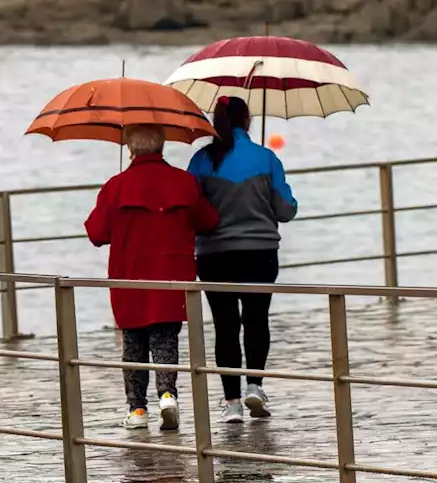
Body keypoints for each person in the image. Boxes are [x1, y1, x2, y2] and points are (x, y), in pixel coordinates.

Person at [85, 124, 220, 431]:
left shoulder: (116, 186)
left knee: (133, 343)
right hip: (172, 276)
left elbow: (96, 233)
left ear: (130, 150)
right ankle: (168, 395)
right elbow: (209, 220)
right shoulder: (184, 182)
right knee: (165, 339)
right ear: (162, 147)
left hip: (129, 277)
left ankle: (137, 410)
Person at [187, 95, 297, 424]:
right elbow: (286, 210)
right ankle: (255, 385)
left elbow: (191, 208)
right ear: (247, 121)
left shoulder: (201, 160)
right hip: (259, 253)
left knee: (225, 325)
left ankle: (232, 402)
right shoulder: (266, 158)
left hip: (214, 255)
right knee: (256, 318)